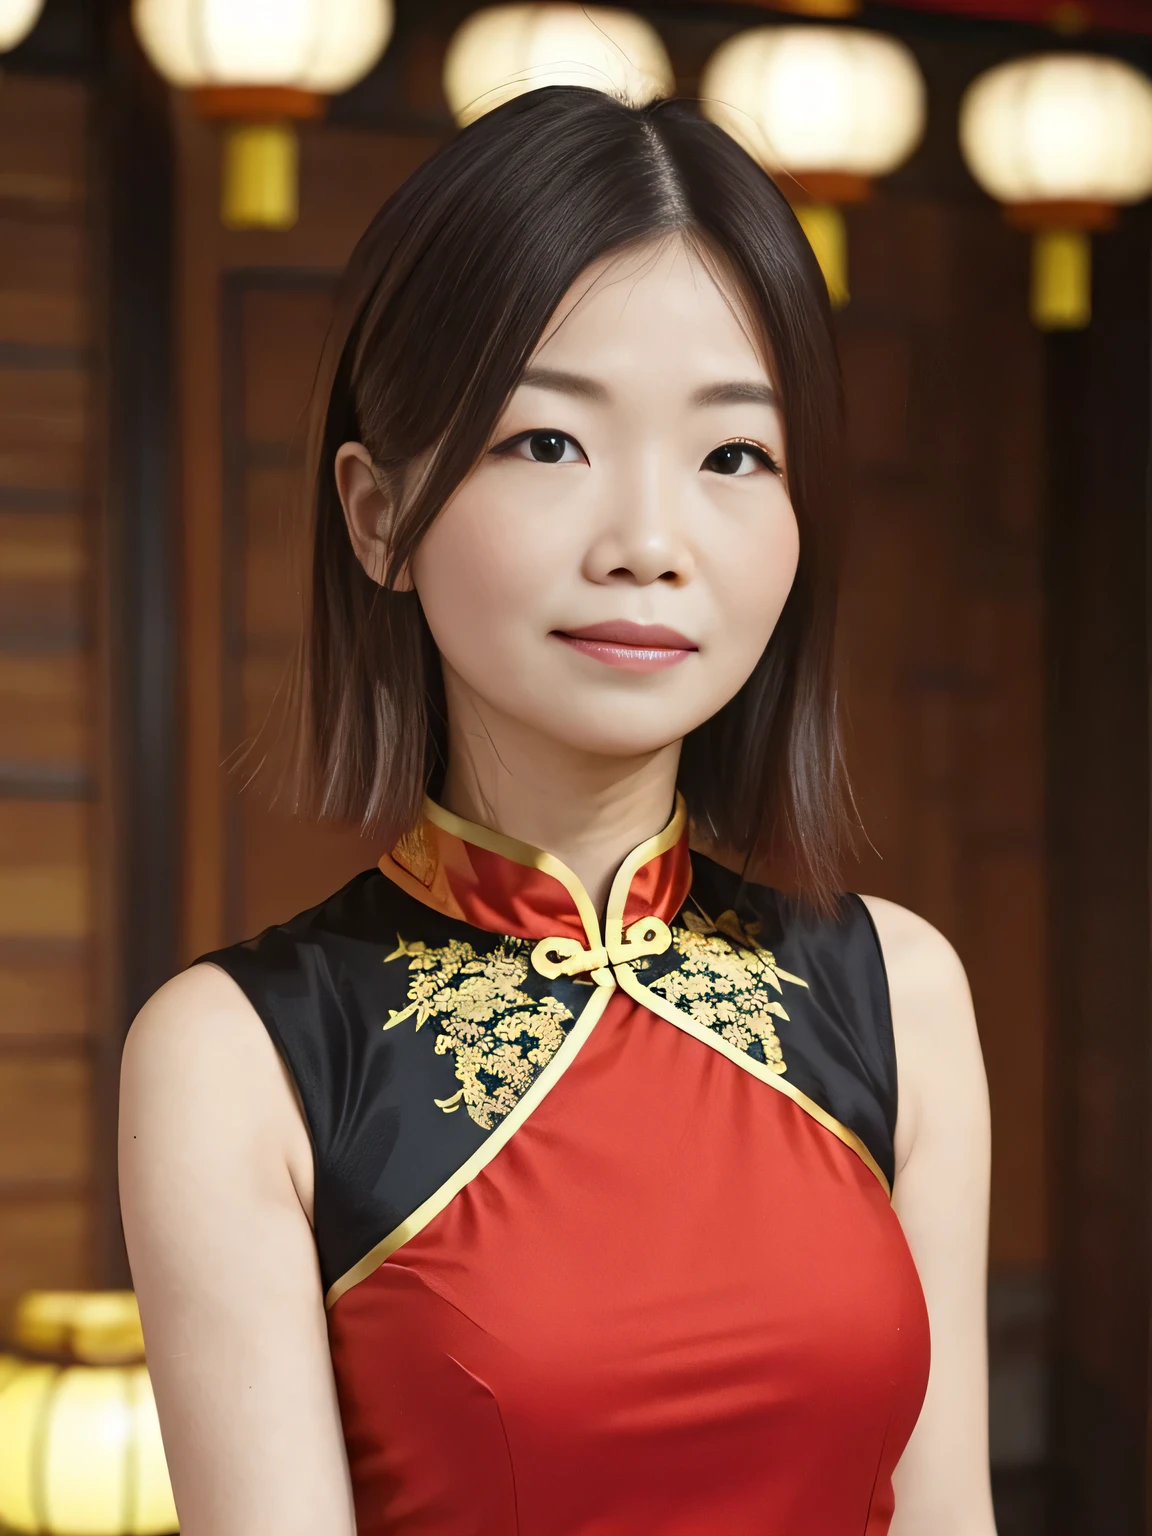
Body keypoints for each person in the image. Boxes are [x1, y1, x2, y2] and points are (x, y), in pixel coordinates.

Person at [119, 87, 994, 1536]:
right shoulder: (242, 1062)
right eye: (549, 442)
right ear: (375, 514)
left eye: (734, 457)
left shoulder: (897, 993)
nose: (649, 544)